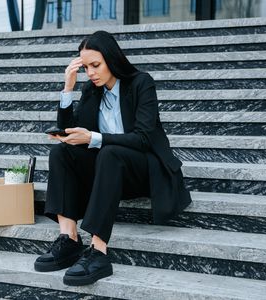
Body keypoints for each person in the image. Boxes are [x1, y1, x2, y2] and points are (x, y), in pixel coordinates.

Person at [34, 30, 191, 286]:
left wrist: (95, 138)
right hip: (108, 172)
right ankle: (69, 239)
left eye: (96, 65)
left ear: (112, 59)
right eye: (86, 67)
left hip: (144, 171)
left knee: (109, 150)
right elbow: (70, 130)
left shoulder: (141, 83)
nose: (91, 72)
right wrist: (68, 88)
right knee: (61, 151)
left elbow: (143, 138)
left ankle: (98, 252)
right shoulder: (91, 90)